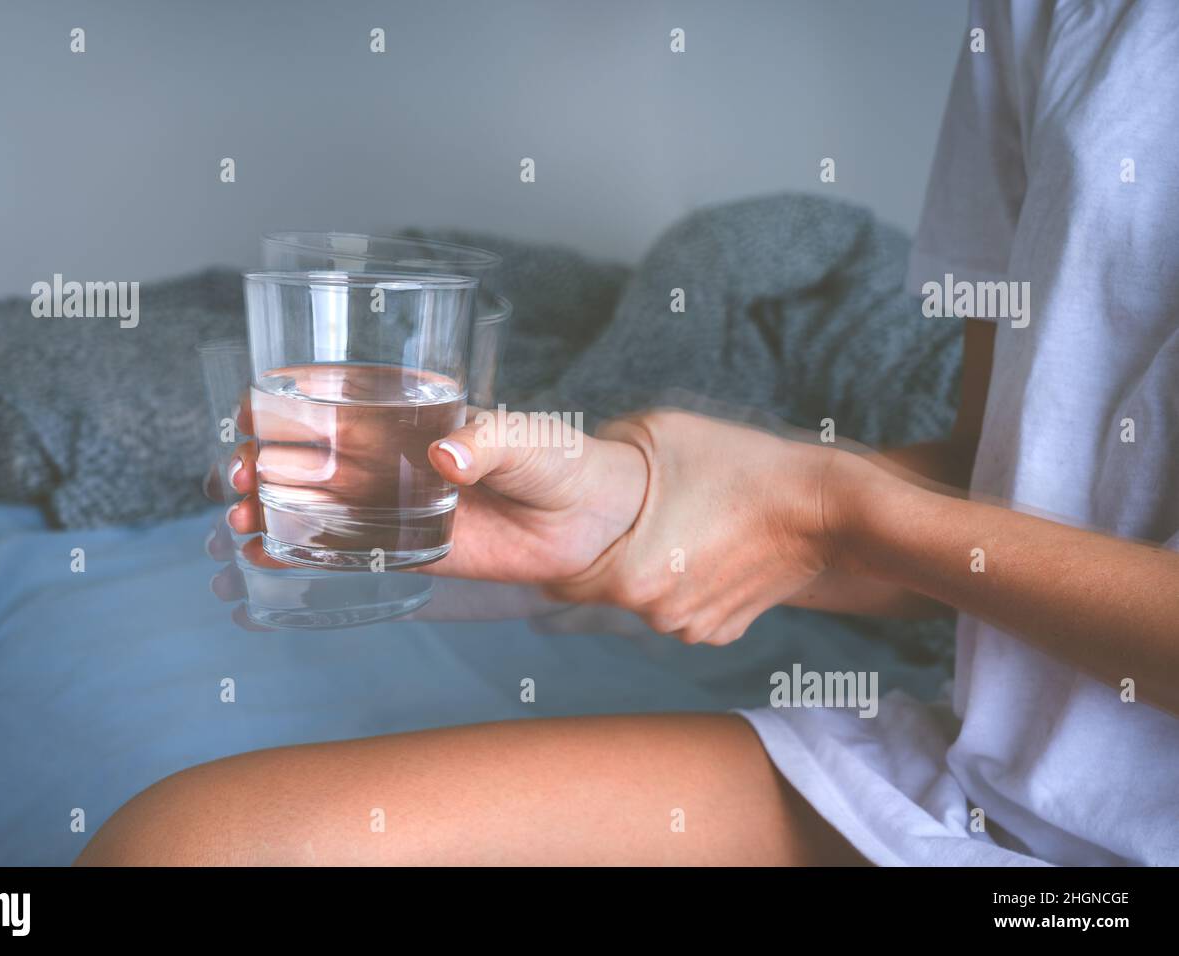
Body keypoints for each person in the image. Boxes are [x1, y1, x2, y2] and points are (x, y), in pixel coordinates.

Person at [77, 1, 1179, 866]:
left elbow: (896, 523)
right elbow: (992, 507)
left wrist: (822, 502)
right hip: (997, 797)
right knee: (190, 842)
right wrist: (626, 518)